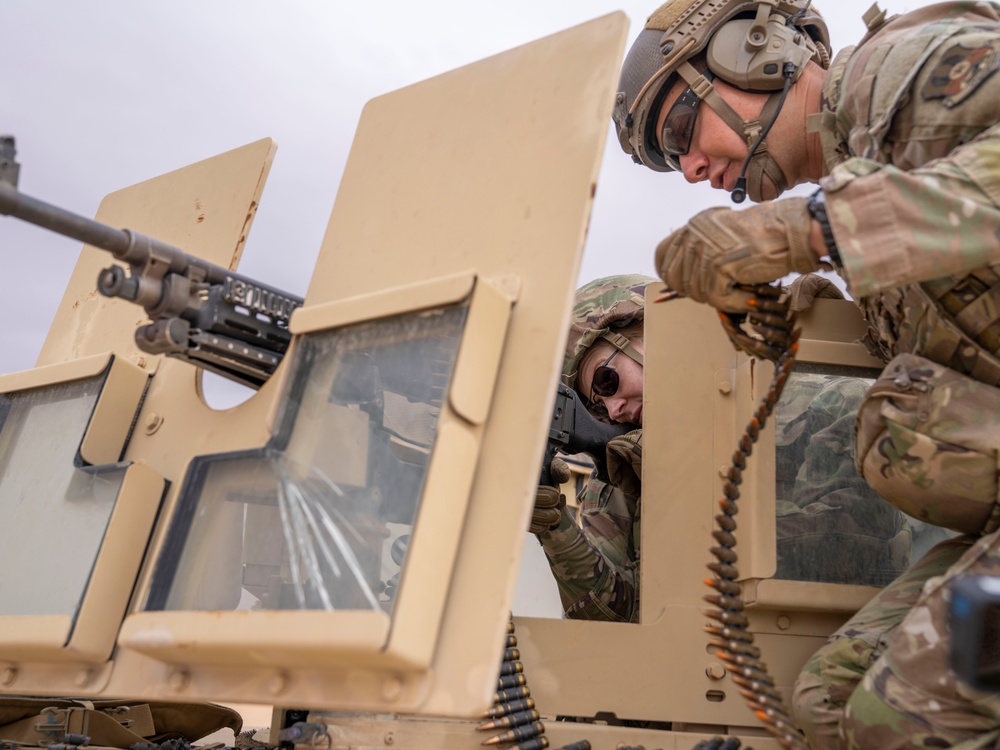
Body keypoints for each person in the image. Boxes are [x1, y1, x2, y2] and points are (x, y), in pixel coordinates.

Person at [612, 0, 1000, 747]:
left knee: (907, 715)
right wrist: (829, 303)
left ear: (751, 52)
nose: (691, 167)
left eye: (679, 130)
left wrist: (808, 231)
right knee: (828, 701)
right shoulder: (866, 181)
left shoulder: (898, 73)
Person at [532, 273, 913, 623]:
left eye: (607, 380)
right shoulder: (626, 466)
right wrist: (555, 529)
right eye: (597, 405)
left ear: (655, 333)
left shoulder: (818, 395)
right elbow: (615, 616)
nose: (613, 409)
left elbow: (846, 542)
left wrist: (684, 474)